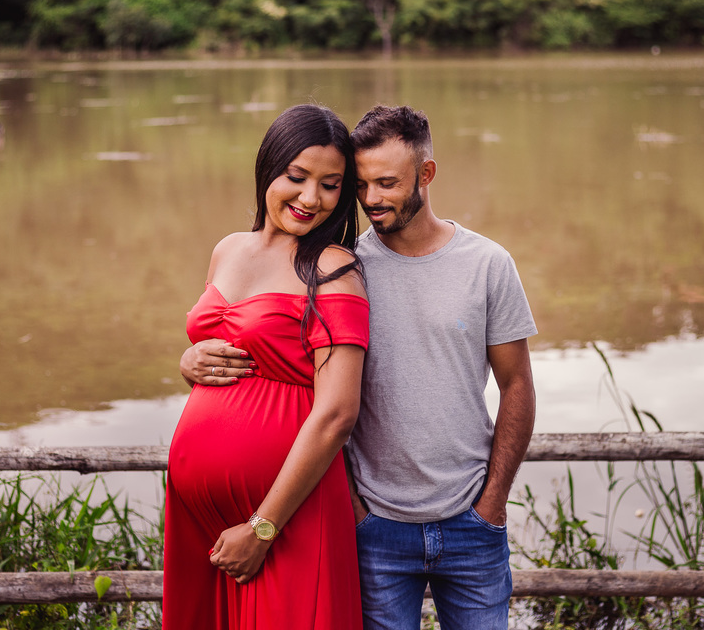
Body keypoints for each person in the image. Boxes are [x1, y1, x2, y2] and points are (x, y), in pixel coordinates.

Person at [183, 105, 537, 630]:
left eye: (387, 183)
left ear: (426, 174)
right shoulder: (341, 264)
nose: (371, 198)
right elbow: (276, 353)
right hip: (374, 528)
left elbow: (517, 385)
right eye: (361, 185)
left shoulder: (487, 264)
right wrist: (192, 358)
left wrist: (492, 504)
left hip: (470, 521)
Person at [163, 103, 369, 630]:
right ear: (268, 168)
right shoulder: (228, 249)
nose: (311, 198)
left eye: (330, 185)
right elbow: (230, 353)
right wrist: (189, 362)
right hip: (201, 516)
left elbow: (338, 414)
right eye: (297, 177)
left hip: (286, 515)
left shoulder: (333, 268)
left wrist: (263, 528)